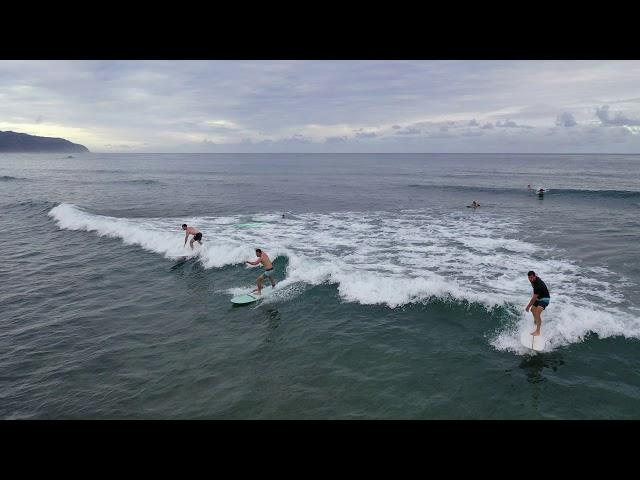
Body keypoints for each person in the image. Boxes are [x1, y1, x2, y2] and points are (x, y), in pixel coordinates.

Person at [525, 271, 551, 336]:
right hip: (539, 298)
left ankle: (538, 331)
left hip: (545, 299)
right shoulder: (533, 281)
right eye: (529, 278)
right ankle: (536, 321)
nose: (530, 279)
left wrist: (528, 306)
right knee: (532, 310)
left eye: (531, 277)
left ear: (535, 276)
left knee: (537, 313)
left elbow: (533, 299)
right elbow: (535, 293)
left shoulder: (538, 285)